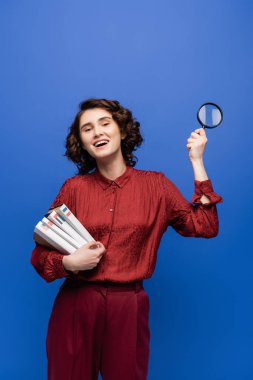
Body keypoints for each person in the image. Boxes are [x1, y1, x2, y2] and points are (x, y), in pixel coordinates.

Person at [30, 98, 223, 380]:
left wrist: (197, 162)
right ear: (81, 143)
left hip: (129, 306)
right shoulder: (73, 189)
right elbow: (39, 254)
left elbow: (205, 225)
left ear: (122, 130)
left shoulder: (156, 185)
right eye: (87, 129)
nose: (97, 132)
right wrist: (69, 263)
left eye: (105, 123)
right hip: (75, 305)